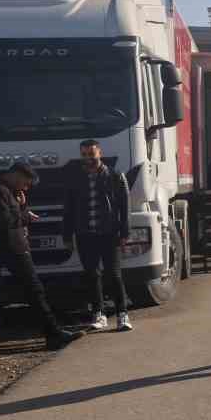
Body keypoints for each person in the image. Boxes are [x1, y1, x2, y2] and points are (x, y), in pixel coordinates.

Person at [0, 163, 83, 350]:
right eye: (25, 183)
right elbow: (4, 221)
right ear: (16, 175)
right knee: (33, 289)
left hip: (15, 247)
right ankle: (53, 333)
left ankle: (51, 332)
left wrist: (22, 207)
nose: (26, 188)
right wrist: (25, 215)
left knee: (27, 290)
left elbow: (14, 215)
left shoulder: (10, 192)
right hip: (10, 248)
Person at [63, 139, 132, 331]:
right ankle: (99, 314)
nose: (88, 158)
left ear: (99, 153)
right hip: (85, 234)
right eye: (84, 154)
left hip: (109, 234)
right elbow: (68, 209)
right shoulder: (75, 178)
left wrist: (124, 231)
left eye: (91, 154)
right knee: (92, 275)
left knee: (114, 274)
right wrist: (67, 235)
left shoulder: (115, 176)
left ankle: (122, 315)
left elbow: (125, 206)